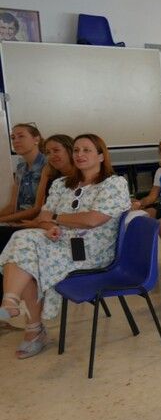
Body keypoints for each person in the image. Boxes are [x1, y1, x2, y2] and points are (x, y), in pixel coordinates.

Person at [0, 134, 130, 358]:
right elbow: (43, 218)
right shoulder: (61, 184)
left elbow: (93, 220)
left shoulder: (114, 183)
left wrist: (56, 219)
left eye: (87, 150)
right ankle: (11, 303)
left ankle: (31, 327)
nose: (80, 154)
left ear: (101, 156)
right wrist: (50, 226)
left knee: (30, 252)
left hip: (92, 251)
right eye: (76, 150)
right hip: (59, 242)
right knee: (24, 243)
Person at [0, 135, 75, 257]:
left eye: (56, 150)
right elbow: (42, 208)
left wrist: (36, 223)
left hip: (57, 227)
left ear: (70, 150)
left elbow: (43, 211)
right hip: (43, 223)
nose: (51, 156)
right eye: (48, 152)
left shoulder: (81, 178)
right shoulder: (49, 171)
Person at [1, 124, 45, 224]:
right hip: (18, 220)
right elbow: (12, 206)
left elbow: (38, 209)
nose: (15, 141)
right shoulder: (20, 168)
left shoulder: (48, 165)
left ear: (36, 139)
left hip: (37, 223)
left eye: (21, 136)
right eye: (13, 138)